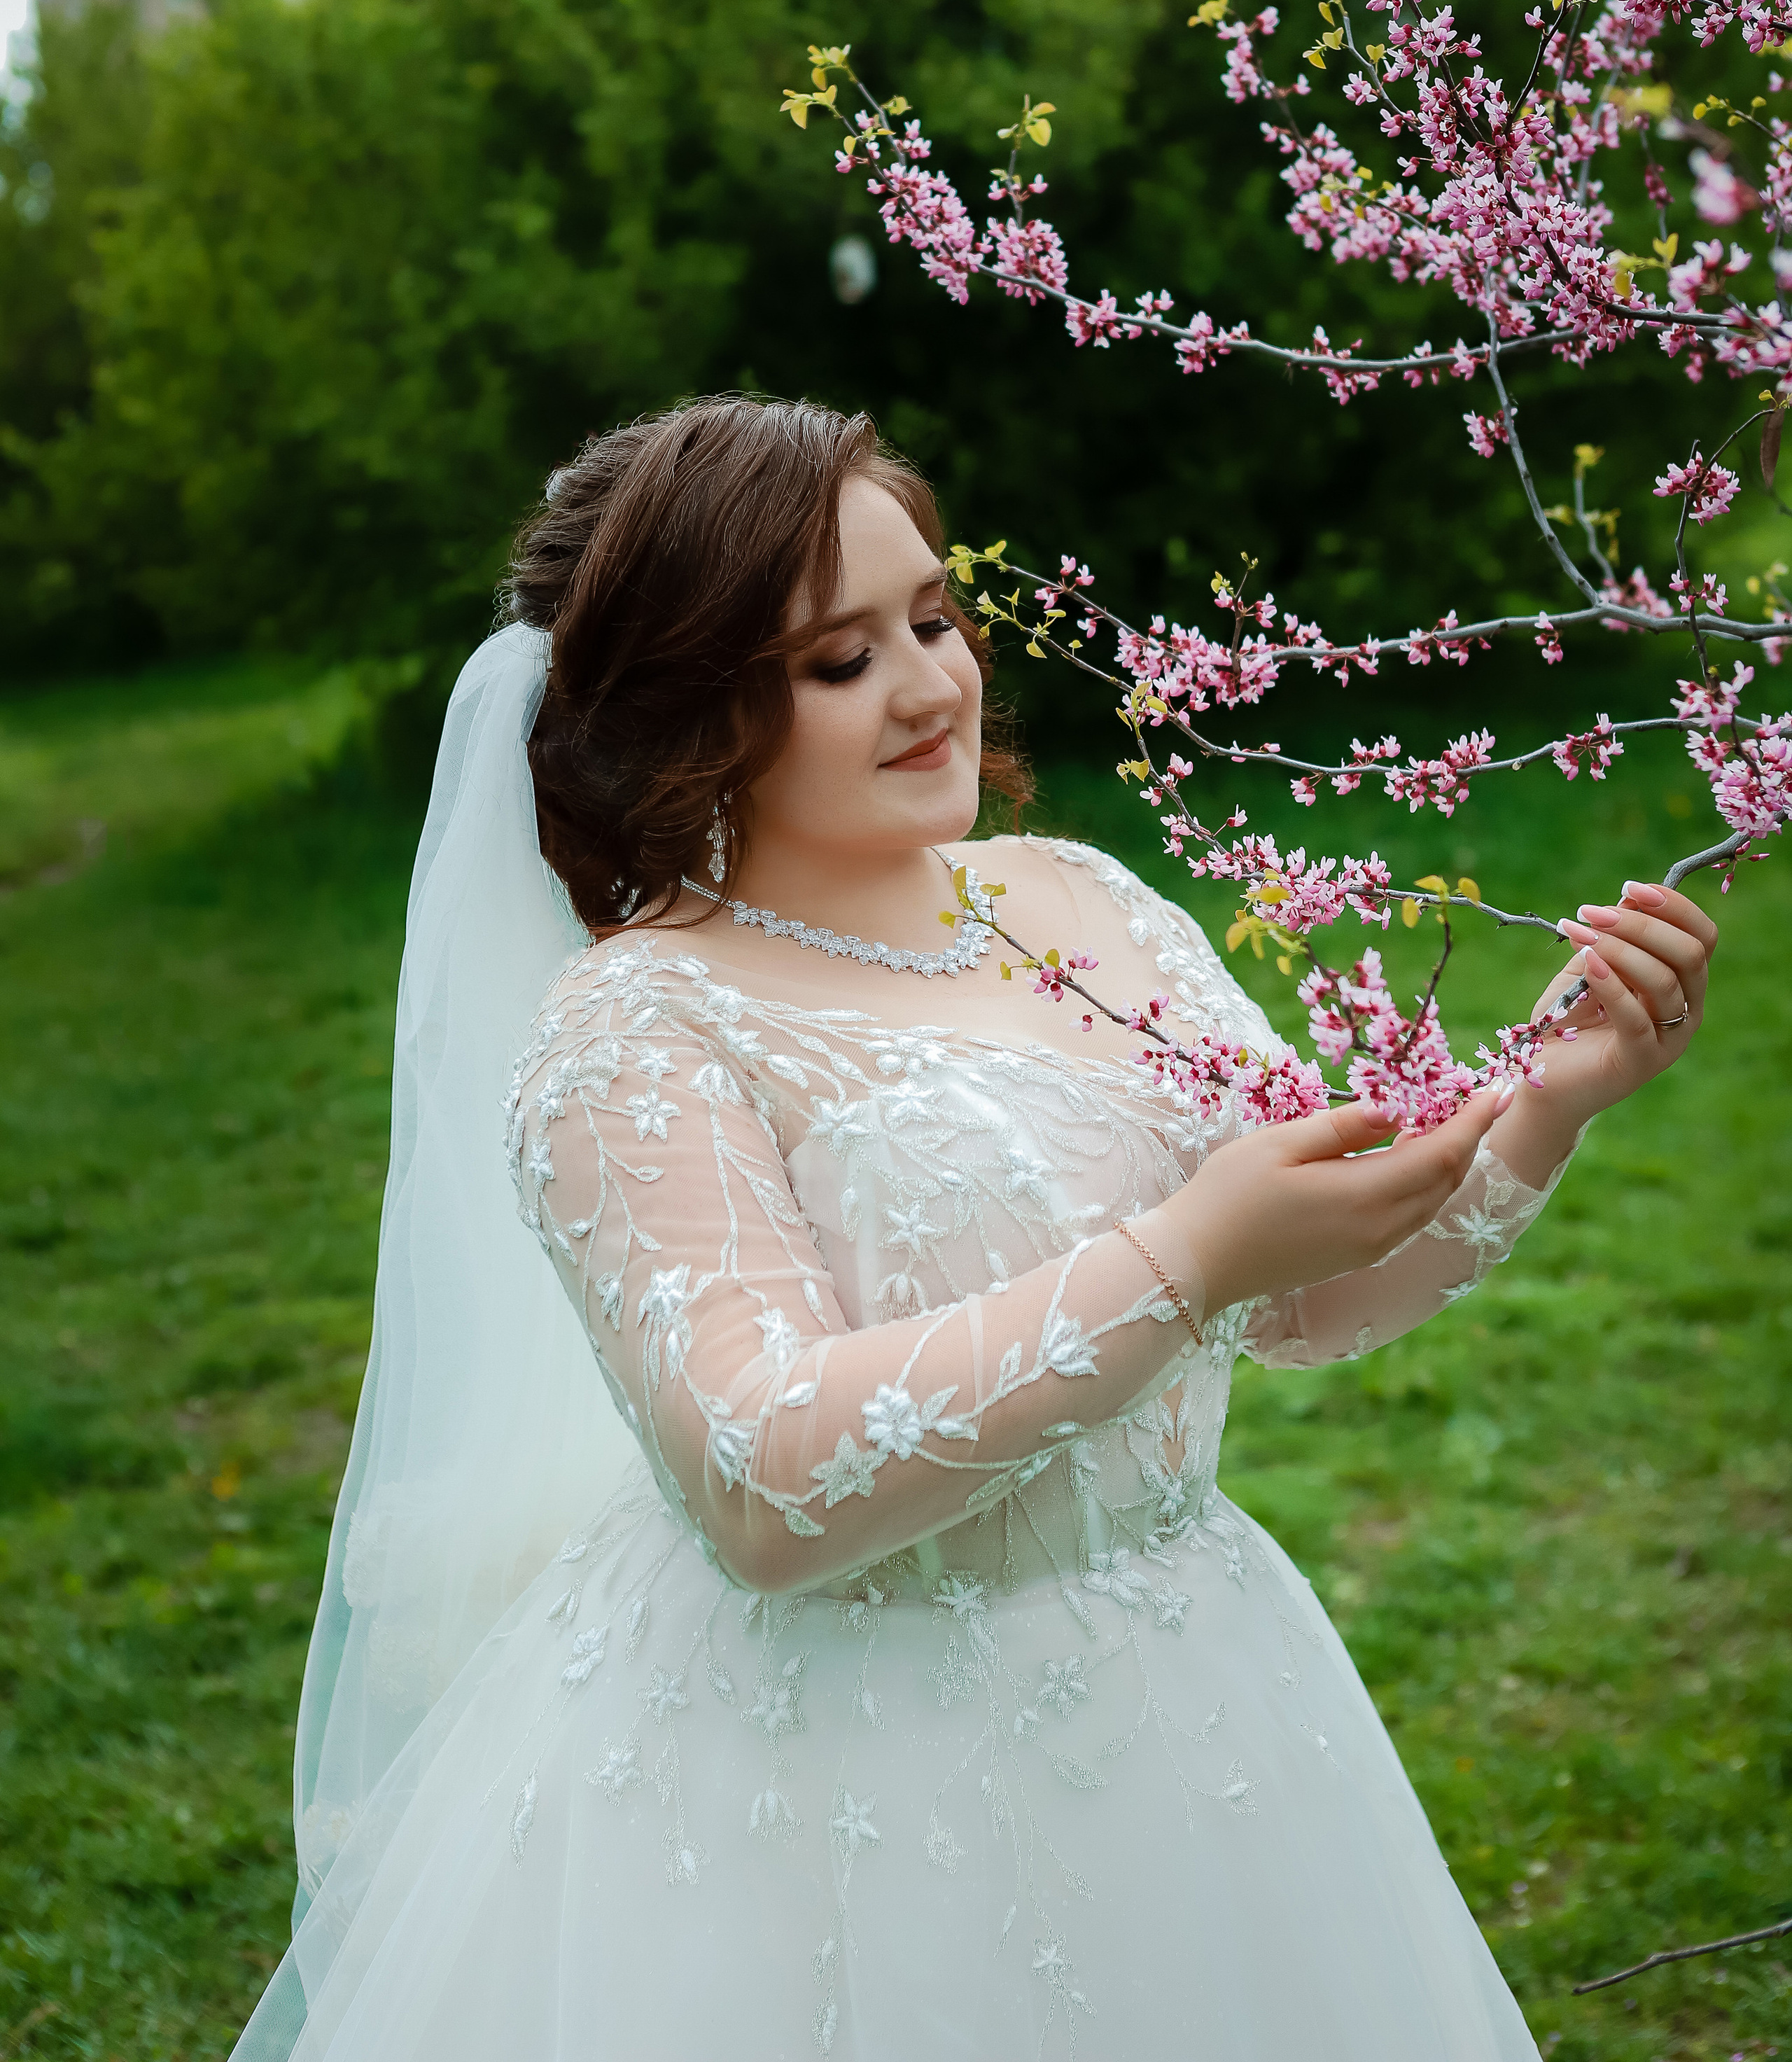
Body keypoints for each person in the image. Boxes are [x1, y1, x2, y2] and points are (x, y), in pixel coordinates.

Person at [232, 396, 1716, 2060]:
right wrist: (1182, 1261)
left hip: (1189, 1691)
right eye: (835, 659)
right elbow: (765, 1484)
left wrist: (1547, 1104)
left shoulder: (1078, 901)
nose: (930, 684)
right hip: (829, 1778)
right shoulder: (636, 1029)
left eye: (931, 618)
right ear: (682, 703)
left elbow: (1307, 1295)